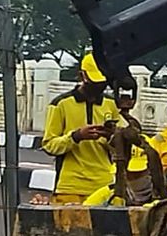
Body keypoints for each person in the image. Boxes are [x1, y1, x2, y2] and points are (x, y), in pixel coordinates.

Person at [42, 53, 122, 204]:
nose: (99, 86)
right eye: (94, 81)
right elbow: (49, 145)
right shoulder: (61, 104)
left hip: (104, 183)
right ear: (81, 76)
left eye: (102, 82)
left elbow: (121, 148)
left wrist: (111, 136)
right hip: (70, 186)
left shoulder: (111, 104)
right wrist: (76, 136)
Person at [83, 145, 167, 206]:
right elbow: (85, 207)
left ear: (151, 170)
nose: (132, 178)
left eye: (137, 174)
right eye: (127, 175)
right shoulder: (110, 193)